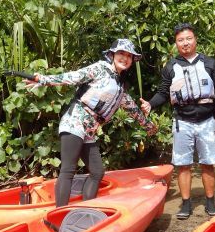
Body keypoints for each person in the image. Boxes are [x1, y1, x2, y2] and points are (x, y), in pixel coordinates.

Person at [26, 38, 157, 207]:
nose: (125, 58)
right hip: (75, 121)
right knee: (68, 169)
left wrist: (148, 126)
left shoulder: (120, 86)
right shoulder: (100, 68)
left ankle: (87, 208)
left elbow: (132, 108)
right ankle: (58, 216)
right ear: (112, 55)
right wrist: (43, 79)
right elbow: (73, 77)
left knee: (97, 172)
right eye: (121, 54)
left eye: (129, 56)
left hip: (89, 130)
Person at [140, 23, 215, 219]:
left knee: (208, 163)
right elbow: (163, 92)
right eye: (181, 40)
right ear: (176, 43)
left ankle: (211, 203)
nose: (185, 43)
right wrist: (150, 105)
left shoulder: (209, 63)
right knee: (183, 164)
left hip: (206, 120)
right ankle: (186, 204)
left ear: (195, 40)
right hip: (182, 121)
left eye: (189, 39)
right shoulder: (171, 67)